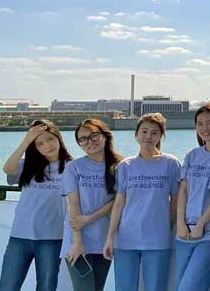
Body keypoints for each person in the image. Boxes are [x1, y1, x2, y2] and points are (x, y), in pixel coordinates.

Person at [103, 113, 181, 291]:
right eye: (144, 131)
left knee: (155, 287)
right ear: (136, 135)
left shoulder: (171, 163)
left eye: (154, 132)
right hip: (125, 239)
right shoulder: (125, 166)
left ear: (161, 136)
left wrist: (166, 225)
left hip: (158, 239)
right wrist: (110, 238)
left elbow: (175, 201)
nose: (148, 136)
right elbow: (119, 203)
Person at [0, 119, 73, 291]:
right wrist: (26, 140)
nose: (47, 145)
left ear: (58, 138)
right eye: (39, 143)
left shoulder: (72, 167)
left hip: (52, 239)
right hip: (20, 237)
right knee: (7, 287)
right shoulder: (27, 166)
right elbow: (8, 169)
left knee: (46, 287)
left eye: (50, 139)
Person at [61, 119, 121, 291]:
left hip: (104, 240)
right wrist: (78, 242)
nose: (89, 142)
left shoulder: (119, 166)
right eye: (83, 139)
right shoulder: (74, 167)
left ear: (104, 136)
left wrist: (90, 218)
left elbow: (117, 201)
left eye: (93, 135)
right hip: (77, 241)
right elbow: (74, 205)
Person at [175, 103, 210, 290]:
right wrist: (180, 223)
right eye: (200, 124)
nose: (205, 128)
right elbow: (183, 191)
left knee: (189, 287)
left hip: (209, 233)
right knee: (179, 285)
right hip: (185, 233)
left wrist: (202, 224)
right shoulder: (192, 155)